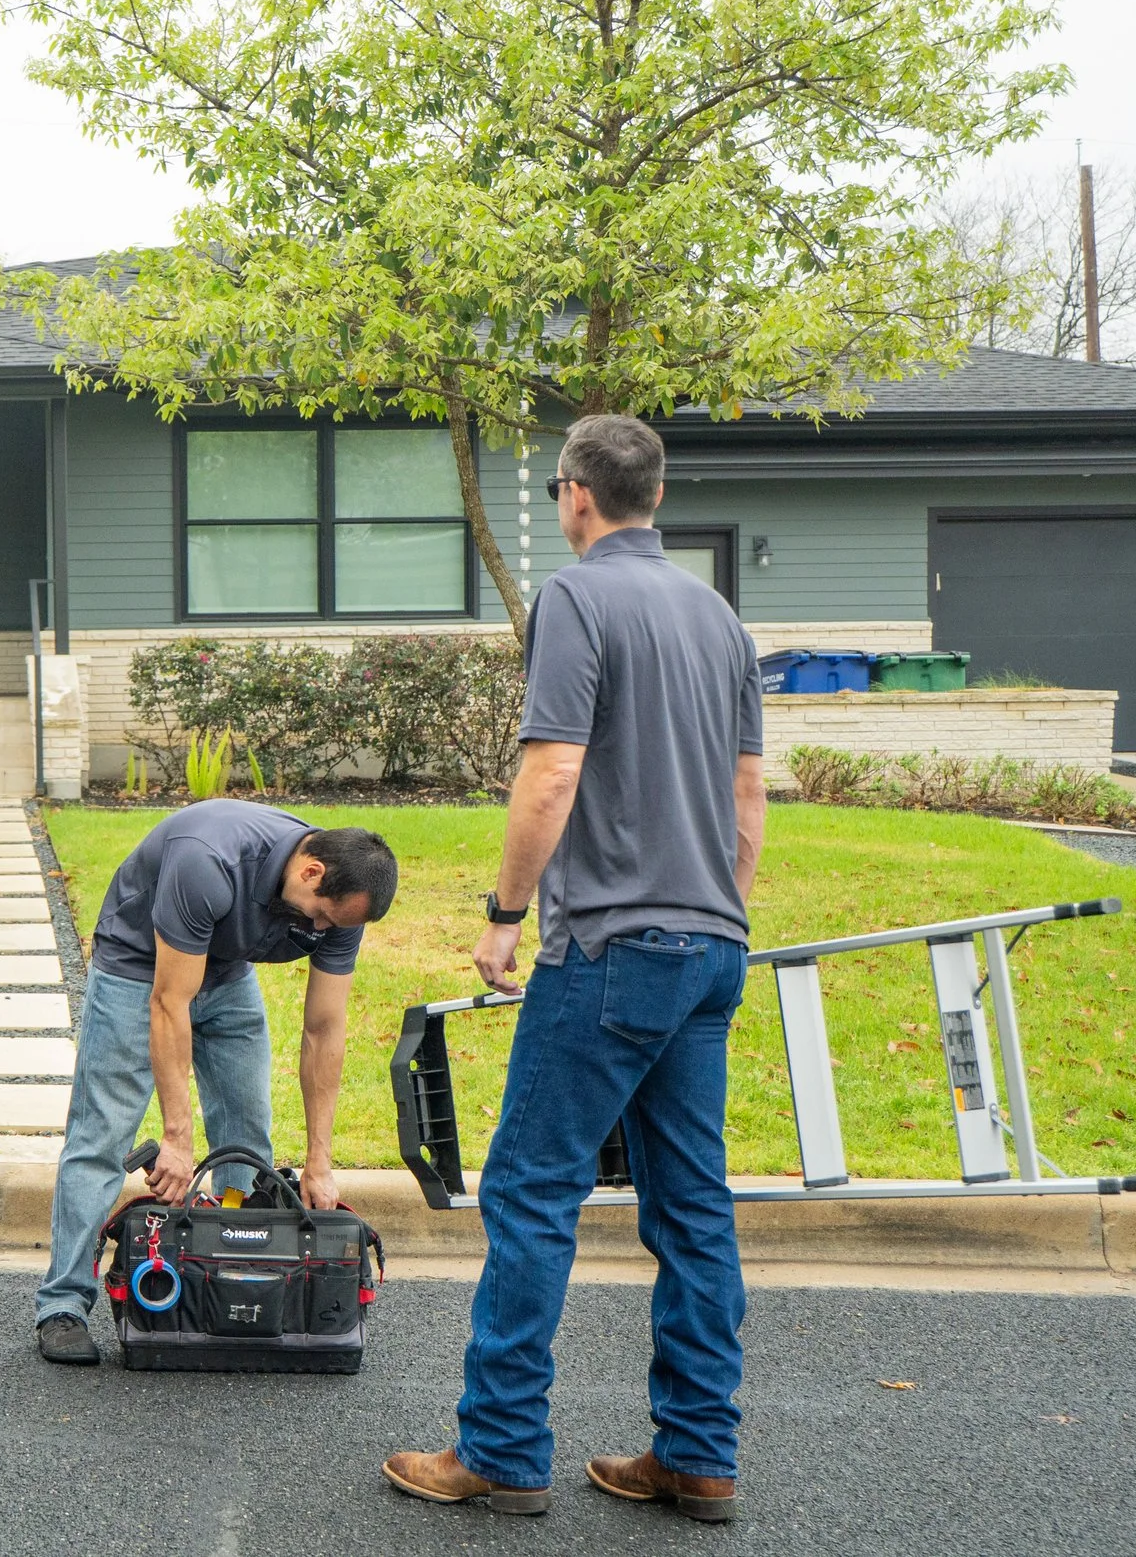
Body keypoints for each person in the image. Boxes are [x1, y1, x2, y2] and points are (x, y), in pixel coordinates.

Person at [383, 413, 767, 1522]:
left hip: (608, 949)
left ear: (577, 497)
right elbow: (746, 800)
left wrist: (505, 913)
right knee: (692, 1206)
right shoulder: (718, 616)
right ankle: (698, 1455)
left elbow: (551, 771)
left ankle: (500, 1449)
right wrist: (719, 913)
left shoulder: (576, 596)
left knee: (529, 1189)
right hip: (710, 949)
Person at [32, 799, 398, 1366]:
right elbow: (168, 1001)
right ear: (310, 872)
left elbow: (324, 1031)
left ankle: (237, 1288)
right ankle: (63, 1304)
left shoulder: (343, 907)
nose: (322, 932)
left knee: (246, 1142)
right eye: (321, 917)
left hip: (227, 973)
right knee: (102, 1135)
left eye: (334, 926)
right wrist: (177, 1137)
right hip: (139, 971)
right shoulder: (208, 860)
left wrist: (320, 1160)